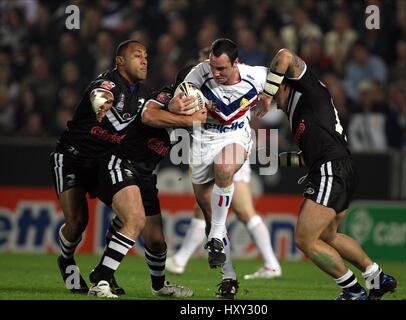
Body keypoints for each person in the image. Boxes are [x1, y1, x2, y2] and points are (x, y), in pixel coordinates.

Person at [256, 48, 397, 300]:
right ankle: (377, 277)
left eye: (275, 91)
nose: (273, 101)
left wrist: (266, 93)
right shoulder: (297, 112)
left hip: (331, 168)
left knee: (304, 239)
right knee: (328, 235)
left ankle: (353, 291)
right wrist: (279, 160)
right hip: (339, 166)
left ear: (283, 85)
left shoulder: (306, 89)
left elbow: (285, 55)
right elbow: (308, 155)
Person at [87, 57, 205, 297]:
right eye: (198, 86)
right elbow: (148, 117)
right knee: (135, 220)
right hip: (121, 161)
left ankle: (159, 286)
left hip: (146, 174)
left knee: (157, 241)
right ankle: (100, 282)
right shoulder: (164, 96)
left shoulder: (198, 108)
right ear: (185, 87)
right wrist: (187, 120)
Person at [166, 47, 282, 280]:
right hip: (208, 148)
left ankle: (183, 260)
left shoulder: (243, 79)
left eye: (216, 65)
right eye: (206, 62)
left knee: (239, 211)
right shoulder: (198, 81)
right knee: (214, 210)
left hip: (232, 147)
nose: (209, 69)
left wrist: (268, 96)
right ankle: (265, 264)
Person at [50, 40, 150, 294]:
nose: (144, 60)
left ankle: (104, 274)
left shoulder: (139, 94)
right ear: (120, 61)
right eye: (137, 55)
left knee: (133, 216)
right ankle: (66, 259)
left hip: (104, 163)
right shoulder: (109, 83)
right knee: (77, 223)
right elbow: (100, 94)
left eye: (146, 56)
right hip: (72, 157)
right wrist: (101, 102)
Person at [166, 161, 282, 280]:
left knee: (211, 209)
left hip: (220, 155)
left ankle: (179, 261)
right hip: (232, 153)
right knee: (208, 210)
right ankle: (180, 260)